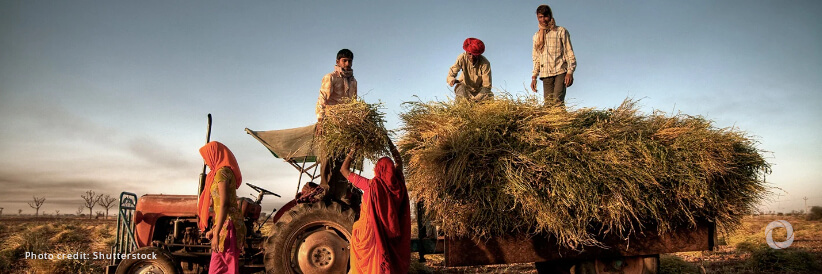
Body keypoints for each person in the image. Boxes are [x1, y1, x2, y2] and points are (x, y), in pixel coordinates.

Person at [340, 142, 411, 274]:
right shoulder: (399, 184)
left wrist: (353, 149)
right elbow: (399, 161)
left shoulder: (370, 185)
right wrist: (389, 143)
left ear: (378, 169)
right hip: (392, 234)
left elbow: (343, 170)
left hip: (371, 235)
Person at [315, 49, 358, 202]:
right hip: (330, 123)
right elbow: (322, 99)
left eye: (350, 61)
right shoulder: (330, 77)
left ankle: (340, 193)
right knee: (327, 156)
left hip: (345, 126)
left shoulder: (353, 81)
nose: (347, 64)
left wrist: (354, 123)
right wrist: (321, 121)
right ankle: (324, 188)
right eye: (344, 61)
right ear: (338, 61)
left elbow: (353, 104)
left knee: (342, 159)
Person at [197, 141, 246, 274]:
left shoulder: (221, 173)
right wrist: (214, 229)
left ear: (214, 155)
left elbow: (224, 203)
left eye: (206, 158)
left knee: (220, 269)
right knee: (223, 268)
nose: (206, 163)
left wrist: (217, 233)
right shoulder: (224, 172)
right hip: (227, 223)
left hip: (228, 226)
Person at [530, 4, 577, 106]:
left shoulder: (561, 31)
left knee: (557, 101)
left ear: (550, 16)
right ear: (537, 18)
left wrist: (570, 72)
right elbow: (536, 58)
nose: (543, 20)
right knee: (548, 105)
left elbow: (569, 52)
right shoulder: (536, 36)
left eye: (545, 16)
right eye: (540, 17)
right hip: (546, 74)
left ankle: (564, 121)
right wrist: (534, 77)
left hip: (560, 71)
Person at [447, 38, 493, 102]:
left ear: (478, 54)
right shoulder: (462, 58)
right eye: (469, 54)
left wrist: (476, 99)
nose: (472, 57)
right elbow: (452, 72)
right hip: (465, 89)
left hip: (480, 92)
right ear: (466, 52)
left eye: (474, 55)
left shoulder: (485, 63)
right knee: (460, 89)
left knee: (489, 95)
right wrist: (451, 79)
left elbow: (487, 86)